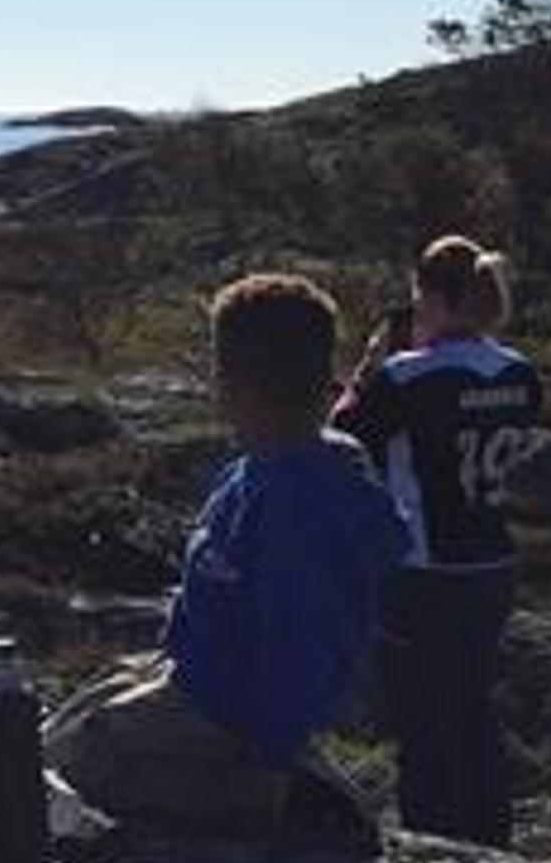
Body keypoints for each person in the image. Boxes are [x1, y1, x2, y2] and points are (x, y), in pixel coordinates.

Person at [47, 273, 406, 834]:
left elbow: (299, 648)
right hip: (195, 682)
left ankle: (295, 800)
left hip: (229, 719)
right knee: (70, 723)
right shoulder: (263, 466)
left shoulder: (300, 504)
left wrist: (270, 767)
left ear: (234, 388)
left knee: (66, 767)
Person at [336, 235, 539, 845]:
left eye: (417, 296)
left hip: (423, 570)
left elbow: (343, 438)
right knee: (477, 708)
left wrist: (368, 370)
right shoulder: (519, 371)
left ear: (435, 297)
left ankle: (438, 852)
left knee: (424, 721)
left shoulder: (405, 377)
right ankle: (492, 840)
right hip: (492, 562)